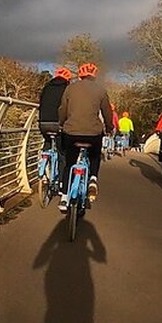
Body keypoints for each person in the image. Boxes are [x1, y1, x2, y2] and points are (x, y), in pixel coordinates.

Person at [58, 62, 112, 211]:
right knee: (95, 155)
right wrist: (109, 128)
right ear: (94, 75)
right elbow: (107, 112)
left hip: (71, 132)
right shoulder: (101, 90)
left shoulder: (70, 88)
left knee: (69, 162)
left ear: (80, 74)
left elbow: (63, 109)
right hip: (93, 133)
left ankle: (63, 197)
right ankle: (93, 178)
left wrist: (62, 124)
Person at [38, 66, 72, 189]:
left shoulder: (46, 87)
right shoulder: (68, 89)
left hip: (43, 123)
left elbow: (40, 104)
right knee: (62, 152)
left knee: (47, 142)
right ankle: (62, 181)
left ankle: (43, 161)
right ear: (68, 79)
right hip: (59, 124)